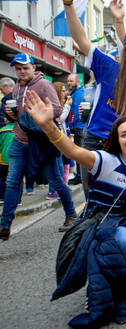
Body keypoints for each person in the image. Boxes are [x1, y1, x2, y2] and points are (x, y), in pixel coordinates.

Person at [24, 90, 126, 326]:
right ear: (117, 141)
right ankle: (107, 287)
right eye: (124, 134)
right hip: (99, 227)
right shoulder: (105, 161)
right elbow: (72, 151)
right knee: (125, 239)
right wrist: (48, 126)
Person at [61, 0, 126, 198]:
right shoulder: (109, 66)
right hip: (95, 141)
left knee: (121, 201)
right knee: (93, 199)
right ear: (125, 50)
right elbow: (81, 39)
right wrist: (68, 4)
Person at [0, 53, 76, 240]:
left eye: (25, 68)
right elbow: (19, 116)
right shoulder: (16, 86)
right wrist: (12, 114)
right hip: (20, 140)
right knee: (12, 182)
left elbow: (57, 110)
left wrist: (37, 112)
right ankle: (5, 225)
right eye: (18, 69)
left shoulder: (43, 85)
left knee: (55, 180)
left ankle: (71, 215)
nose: (22, 72)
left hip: (41, 142)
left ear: (34, 68)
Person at [45, 82, 72, 199]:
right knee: (57, 169)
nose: (65, 93)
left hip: (61, 141)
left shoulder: (60, 103)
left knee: (60, 169)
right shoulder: (54, 105)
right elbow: (60, 118)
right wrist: (67, 106)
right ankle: (52, 192)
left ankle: (56, 191)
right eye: (62, 90)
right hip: (54, 142)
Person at [66, 73, 85, 185]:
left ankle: (79, 177)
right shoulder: (75, 93)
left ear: (78, 82)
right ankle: (79, 176)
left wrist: (71, 124)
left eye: (71, 81)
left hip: (78, 127)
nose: (69, 83)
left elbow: (77, 111)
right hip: (77, 127)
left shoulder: (78, 93)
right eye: (68, 81)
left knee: (79, 153)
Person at [0, 112, 15, 203]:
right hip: (16, 159)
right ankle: (18, 199)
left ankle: (2, 197)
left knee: (2, 177)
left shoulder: (2, 130)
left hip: (3, 159)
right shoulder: (19, 130)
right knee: (17, 179)